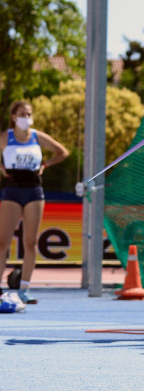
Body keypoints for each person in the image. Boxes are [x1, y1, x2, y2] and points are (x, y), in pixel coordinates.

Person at [0, 100, 69, 304]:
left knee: (31, 242)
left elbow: (62, 152)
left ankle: (24, 289)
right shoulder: (6, 137)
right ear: (13, 117)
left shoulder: (37, 136)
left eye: (29, 114)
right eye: (22, 114)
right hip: (12, 189)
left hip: (33, 190)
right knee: (3, 241)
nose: (26, 118)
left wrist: (45, 164)